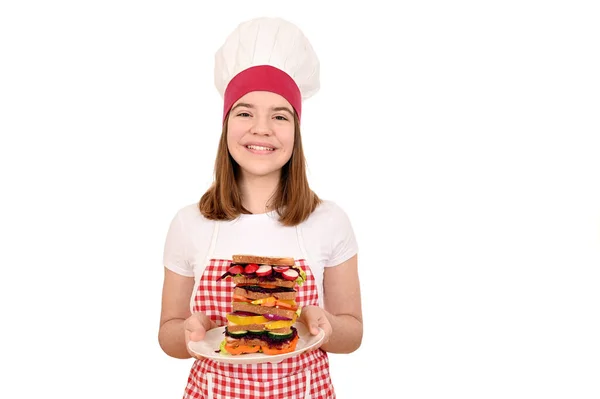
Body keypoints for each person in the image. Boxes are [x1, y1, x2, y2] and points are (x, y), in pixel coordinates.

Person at [158, 16, 363, 399]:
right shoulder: (189, 223)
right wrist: (191, 329)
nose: (262, 128)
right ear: (226, 125)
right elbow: (168, 332)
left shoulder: (329, 221)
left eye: (280, 116)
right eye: (245, 112)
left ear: (296, 132)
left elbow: (353, 333)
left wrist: (326, 325)